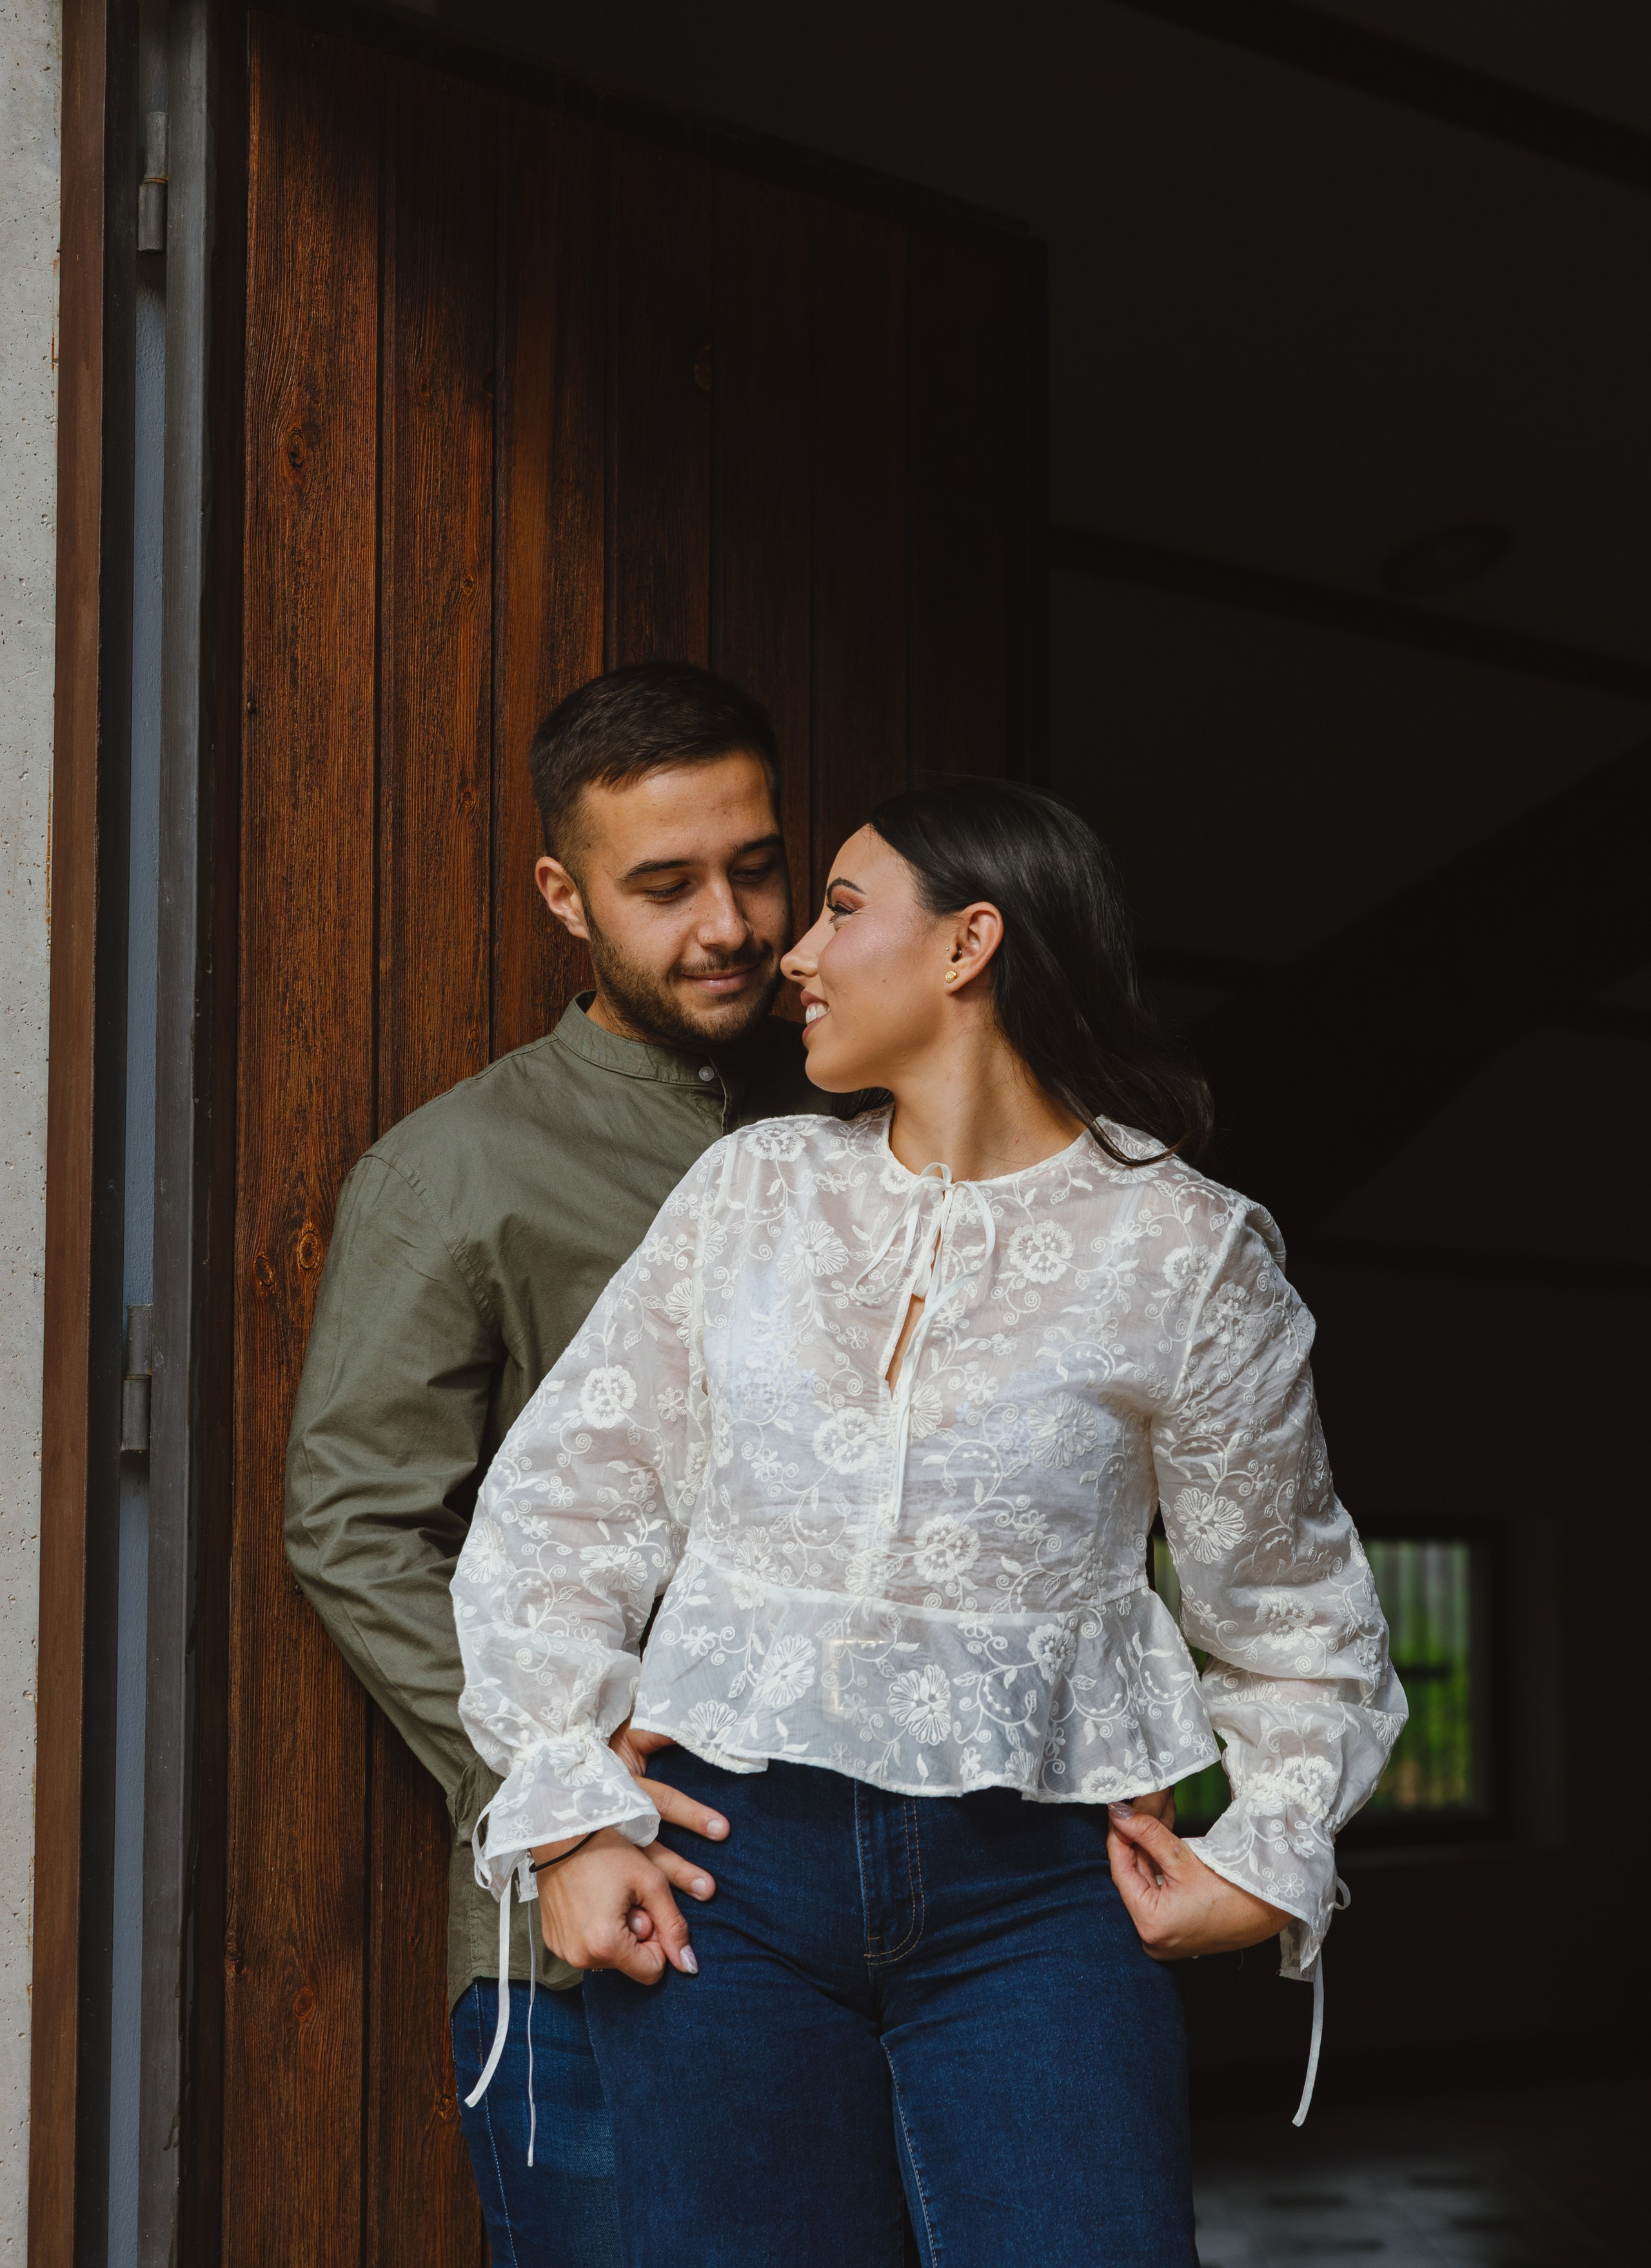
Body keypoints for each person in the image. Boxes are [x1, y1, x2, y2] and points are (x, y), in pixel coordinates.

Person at [452, 776, 1407, 2268]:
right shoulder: (751, 1193)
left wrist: (1266, 1848)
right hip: (726, 1881)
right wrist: (571, 1810)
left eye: (837, 908)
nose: (796, 957)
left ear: (968, 944)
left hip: (1034, 1906)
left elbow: (1293, 1614)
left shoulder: (1184, 1250)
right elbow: (562, 1507)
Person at [285, 663, 856, 2267]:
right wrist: (557, 1802)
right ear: (563, 893)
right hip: (589, 1951)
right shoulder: (457, 1173)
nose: (730, 923)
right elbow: (354, 1528)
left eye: (756, 867)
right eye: (663, 886)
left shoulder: (876, 1130)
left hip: (890, 1927)